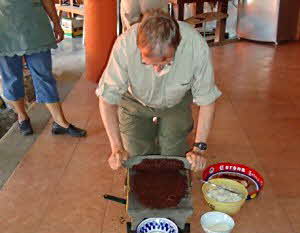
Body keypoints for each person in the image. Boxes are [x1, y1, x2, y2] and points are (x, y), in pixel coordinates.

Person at [96, 9, 221, 172]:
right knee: (139, 162)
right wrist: (116, 148)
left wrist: (199, 148)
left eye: (166, 63)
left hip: (176, 103)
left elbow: (207, 100)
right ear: (139, 46)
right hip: (134, 102)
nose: (157, 71)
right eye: (149, 63)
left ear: (178, 45)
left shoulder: (194, 45)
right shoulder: (125, 45)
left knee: (173, 160)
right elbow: (107, 99)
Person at [0, 0, 86, 137]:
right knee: (11, 78)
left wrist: (57, 23)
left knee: (44, 76)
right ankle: (22, 117)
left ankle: (60, 122)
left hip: (35, 29)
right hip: (4, 33)